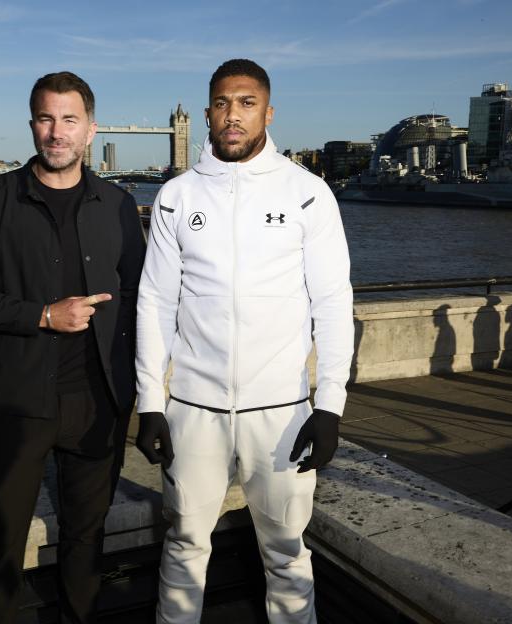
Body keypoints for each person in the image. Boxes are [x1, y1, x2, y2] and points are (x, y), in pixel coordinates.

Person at [135, 59, 354, 623]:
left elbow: (332, 304)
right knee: (183, 544)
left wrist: (329, 405)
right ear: (207, 112)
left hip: (280, 411)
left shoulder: (309, 194)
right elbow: (155, 303)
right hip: (193, 409)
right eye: (223, 104)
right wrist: (150, 404)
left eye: (247, 103)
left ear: (268, 112)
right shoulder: (175, 197)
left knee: (285, 552)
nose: (233, 116)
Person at [0, 72, 146, 624]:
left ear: (90, 128)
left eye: (70, 120)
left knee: (87, 540)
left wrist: (143, 395)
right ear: (32, 124)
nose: (57, 132)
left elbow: (140, 298)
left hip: (98, 400)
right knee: (2, 544)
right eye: (46, 118)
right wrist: (43, 315)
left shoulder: (119, 205)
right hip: (14, 404)